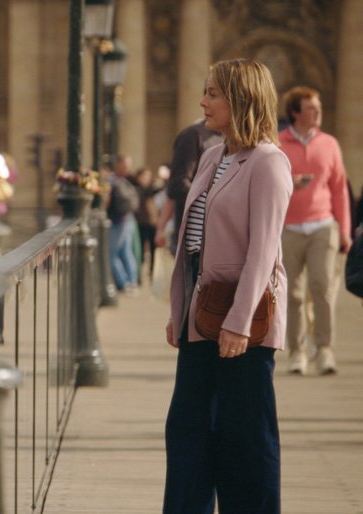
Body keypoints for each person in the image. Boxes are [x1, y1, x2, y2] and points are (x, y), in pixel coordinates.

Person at [163, 59, 292, 514]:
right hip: (202, 315)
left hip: (245, 323)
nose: (203, 101)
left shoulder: (269, 162)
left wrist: (238, 322)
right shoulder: (213, 155)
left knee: (245, 442)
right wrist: (178, 311)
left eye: (213, 93)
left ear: (241, 97)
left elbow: (264, 250)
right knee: (188, 432)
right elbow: (190, 242)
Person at [279, 86, 351, 375]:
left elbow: (339, 190)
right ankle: (296, 352)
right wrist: (290, 184)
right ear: (295, 112)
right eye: (311, 108)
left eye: (318, 107)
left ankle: (324, 349)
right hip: (289, 227)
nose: (318, 112)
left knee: (322, 288)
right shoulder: (278, 143)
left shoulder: (330, 144)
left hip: (323, 224)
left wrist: (344, 230)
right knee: (293, 294)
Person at [154, 118, 222, 251]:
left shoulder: (226, 139)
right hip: (197, 240)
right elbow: (176, 187)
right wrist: (161, 228)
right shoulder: (193, 135)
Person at [106, 154, 140, 292]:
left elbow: (106, 203)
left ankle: (123, 282)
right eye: (126, 166)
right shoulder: (125, 181)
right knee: (126, 252)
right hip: (127, 219)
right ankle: (132, 281)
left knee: (112, 253)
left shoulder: (112, 181)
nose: (127, 169)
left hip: (117, 221)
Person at [133, 166, 163, 284]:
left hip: (152, 223)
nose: (147, 179)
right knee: (139, 250)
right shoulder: (137, 189)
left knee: (153, 250)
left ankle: (151, 274)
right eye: (144, 176)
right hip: (141, 223)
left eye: (148, 176)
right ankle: (138, 275)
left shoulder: (150, 190)